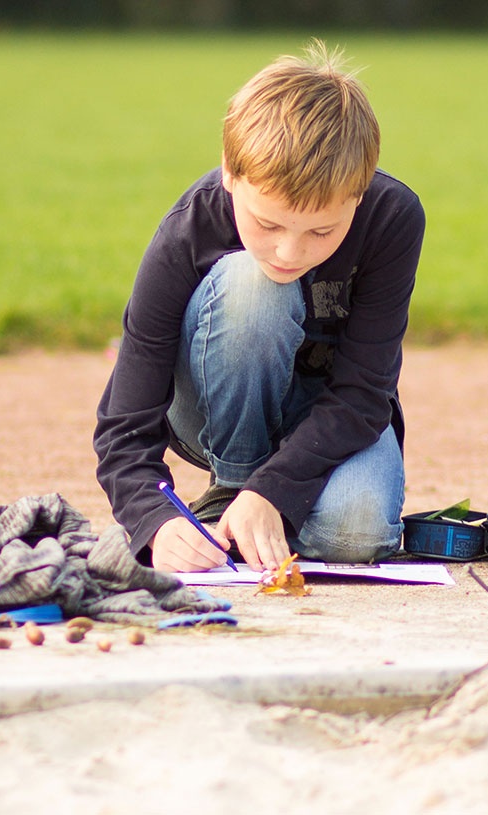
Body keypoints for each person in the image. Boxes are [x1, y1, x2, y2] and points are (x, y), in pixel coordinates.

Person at [94, 41, 425, 573]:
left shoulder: (394, 218)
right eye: (268, 223)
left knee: (356, 532)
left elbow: (365, 393)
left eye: (323, 230)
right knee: (254, 280)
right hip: (212, 409)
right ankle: (231, 489)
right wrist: (150, 516)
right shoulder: (190, 228)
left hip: (330, 417)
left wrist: (275, 490)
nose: (289, 251)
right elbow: (125, 419)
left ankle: (259, 511)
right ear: (230, 172)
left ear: (359, 194)